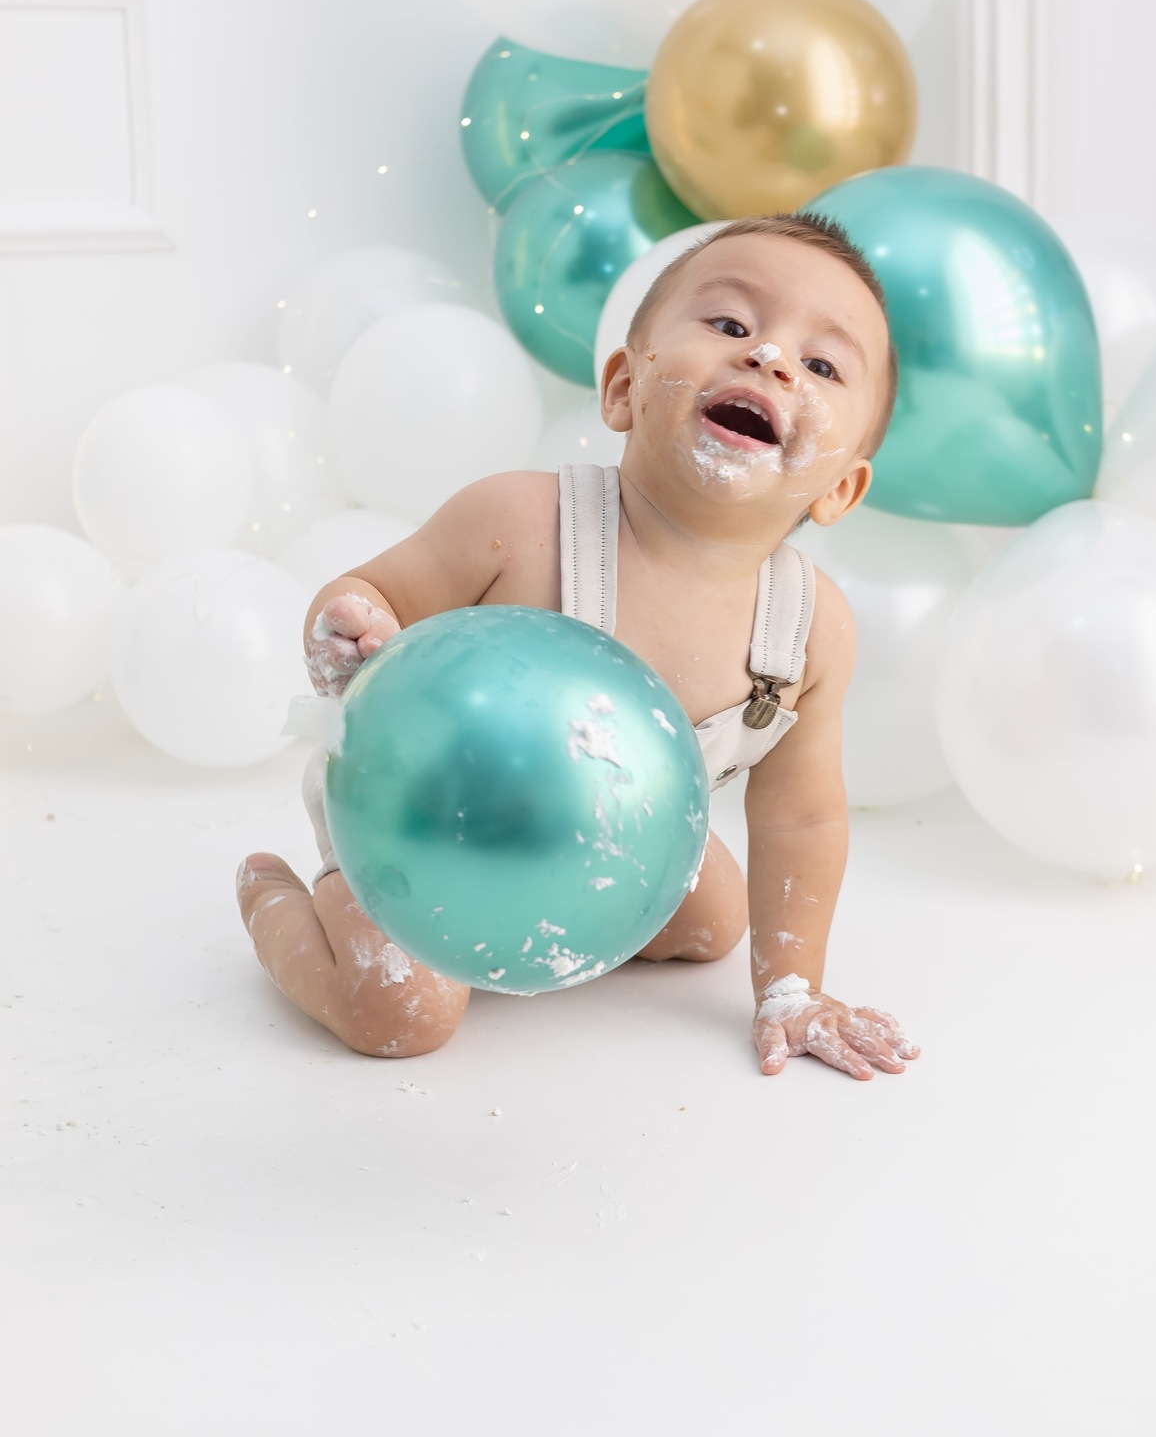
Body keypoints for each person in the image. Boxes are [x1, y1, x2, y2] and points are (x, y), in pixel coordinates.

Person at [236, 213, 921, 1080]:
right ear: (624, 389)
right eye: (730, 325)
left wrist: (792, 987)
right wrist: (350, 631)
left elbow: (802, 814)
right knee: (400, 1014)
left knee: (715, 917)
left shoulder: (809, 629)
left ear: (842, 488)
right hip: (415, 823)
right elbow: (371, 595)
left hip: (596, 841)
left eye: (822, 365)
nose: (770, 359)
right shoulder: (520, 523)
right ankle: (282, 905)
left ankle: (553, 915)